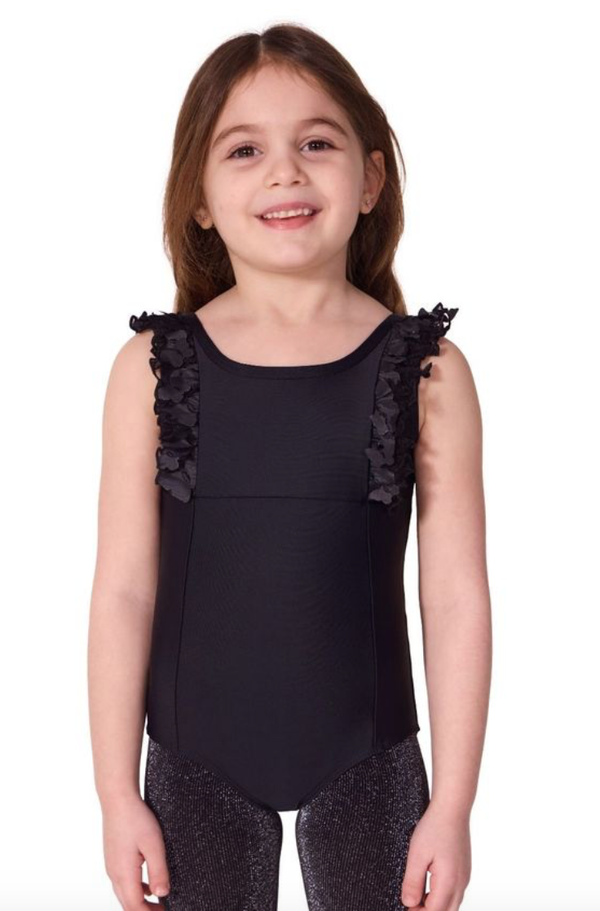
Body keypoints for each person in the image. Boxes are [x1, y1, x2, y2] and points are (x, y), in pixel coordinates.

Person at [88, 22, 491, 911]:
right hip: (192, 776)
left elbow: (456, 596)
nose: (284, 173)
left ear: (371, 179)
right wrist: (117, 794)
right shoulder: (152, 369)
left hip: (373, 772)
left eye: (316, 143)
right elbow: (123, 590)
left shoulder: (427, 371)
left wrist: (453, 805)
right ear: (198, 196)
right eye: (245, 150)